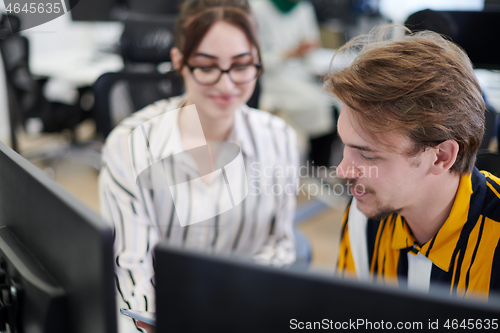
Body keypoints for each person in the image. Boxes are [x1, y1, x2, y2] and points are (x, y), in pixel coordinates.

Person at [98, 0, 298, 331]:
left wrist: (238, 305)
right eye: (206, 66)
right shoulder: (131, 143)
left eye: (242, 65)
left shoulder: (279, 139)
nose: (226, 84)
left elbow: (279, 246)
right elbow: (130, 264)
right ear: (179, 61)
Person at [325, 26, 500, 299]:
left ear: (441, 157)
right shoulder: (364, 217)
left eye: (368, 154)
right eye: (346, 146)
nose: (343, 170)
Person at [250, 0, 337, 168]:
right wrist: (291, 53)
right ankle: (316, 166)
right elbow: (257, 61)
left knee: (334, 100)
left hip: (300, 73)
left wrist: (315, 67)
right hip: (274, 78)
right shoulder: (258, 8)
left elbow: (311, 47)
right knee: (321, 105)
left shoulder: (304, 8)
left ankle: (319, 166)